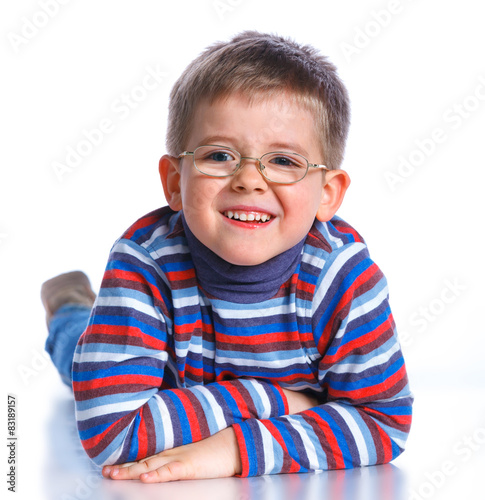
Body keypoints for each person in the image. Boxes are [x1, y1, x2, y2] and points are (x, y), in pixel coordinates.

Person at [41, 31, 413, 483]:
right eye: (219, 155)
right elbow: (113, 433)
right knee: (81, 358)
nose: (249, 180)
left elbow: (384, 423)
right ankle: (71, 309)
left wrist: (236, 451)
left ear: (328, 195)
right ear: (175, 182)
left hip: (180, 409)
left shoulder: (343, 279)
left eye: (284, 161)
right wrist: (284, 402)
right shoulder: (145, 265)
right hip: (159, 375)